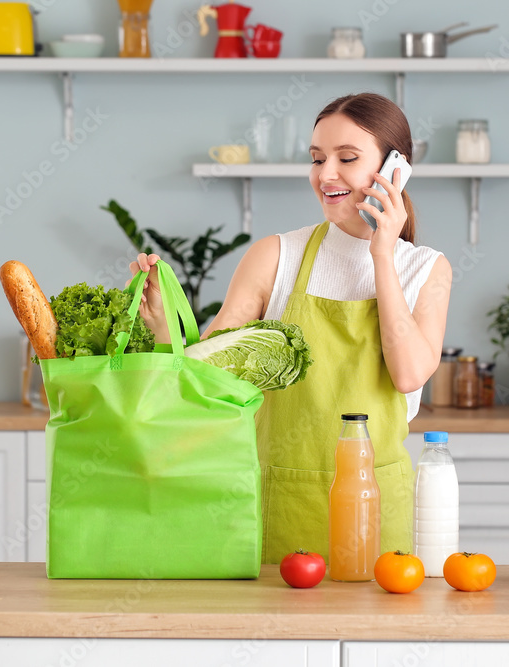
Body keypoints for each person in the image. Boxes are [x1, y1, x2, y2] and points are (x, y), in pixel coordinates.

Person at [130, 92, 452, 564]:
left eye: (347, 158)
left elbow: (408, 375)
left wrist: (383, 254)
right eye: (318, 158)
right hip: (281, 507)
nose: (325, 175)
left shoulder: (426, 270)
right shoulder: (276, 256)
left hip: (378, 511)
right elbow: (207, 377)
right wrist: (162, 327)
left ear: (395, 170)